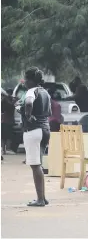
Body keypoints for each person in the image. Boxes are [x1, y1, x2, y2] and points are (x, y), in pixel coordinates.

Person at [21, 67, 51, 206]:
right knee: (38, 163)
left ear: (31, 80)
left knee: (35, 165)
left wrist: (28, 115)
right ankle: (43, 197)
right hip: (45, 129)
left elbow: (28, 103)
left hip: (33, 130)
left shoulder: (31, 91)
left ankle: (40, 199)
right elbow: (48, 112)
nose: (24, 82)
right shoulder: (45, 92)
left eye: (26, 80)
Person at [2, 88, 17, 155]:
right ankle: (5, 149)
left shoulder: (6, 99)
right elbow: (10, 105)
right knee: (6, 136)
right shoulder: (6, 99)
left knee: (5, 136)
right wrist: (14, 100)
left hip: (6, 120)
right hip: (7, 120)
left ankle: (4, 150)